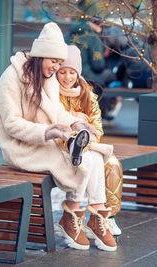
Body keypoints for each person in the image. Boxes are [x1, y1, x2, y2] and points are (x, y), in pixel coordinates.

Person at [0, 22, 117, 252]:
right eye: (55, 62)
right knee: (84, 160)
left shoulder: (45, 76)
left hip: (46, 140)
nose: (57, 68)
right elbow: (12, 124)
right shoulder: (11, 78)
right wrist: (48, 132)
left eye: (60, 63)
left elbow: (55, 111)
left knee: (96, 157)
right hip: (23, 147)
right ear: (41, 55)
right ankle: (70, 215)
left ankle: (95, 217)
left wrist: (76, 122)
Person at [57, 45, 123, 236]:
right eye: (62, 72)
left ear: (78, 74)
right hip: (62, 146)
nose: (67, 77)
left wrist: (89, 134)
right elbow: (53, 119)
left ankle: (105, 216)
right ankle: (75, 217)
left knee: (111, 163)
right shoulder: (52, 93)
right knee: (88, 160)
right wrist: (74, 118)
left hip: (87, 144)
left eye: (71, 72)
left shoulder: (87, 94)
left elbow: (98, 127)